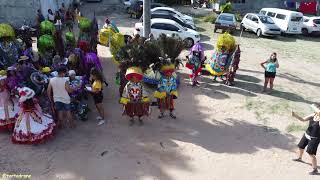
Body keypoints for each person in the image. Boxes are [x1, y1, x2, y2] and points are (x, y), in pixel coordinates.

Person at [292, 104, 320, 175]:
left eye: (318, 108)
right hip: (306, 135)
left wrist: (314, 107)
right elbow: (303, 119)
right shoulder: (313, 115)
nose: (316, 109)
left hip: (314, 139)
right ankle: (299, 158)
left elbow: (318, 112)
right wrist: (295, 115)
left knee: (311, 153)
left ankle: (315, 170)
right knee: (301, 147)